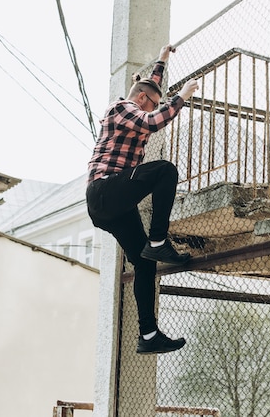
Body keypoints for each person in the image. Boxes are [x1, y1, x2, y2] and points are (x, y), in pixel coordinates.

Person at [86, 44, 199, 355]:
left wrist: (162, 60)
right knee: (164, 171)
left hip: (113, 206)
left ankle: (148, 335)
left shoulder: (140, 101)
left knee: (144, 262)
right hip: (105, 190)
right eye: (151, 103)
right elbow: (152, 120)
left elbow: (151, 87)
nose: (154, 108)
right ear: (139, 100)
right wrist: (183, 96)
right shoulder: (121, 108)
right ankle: (160, 239)